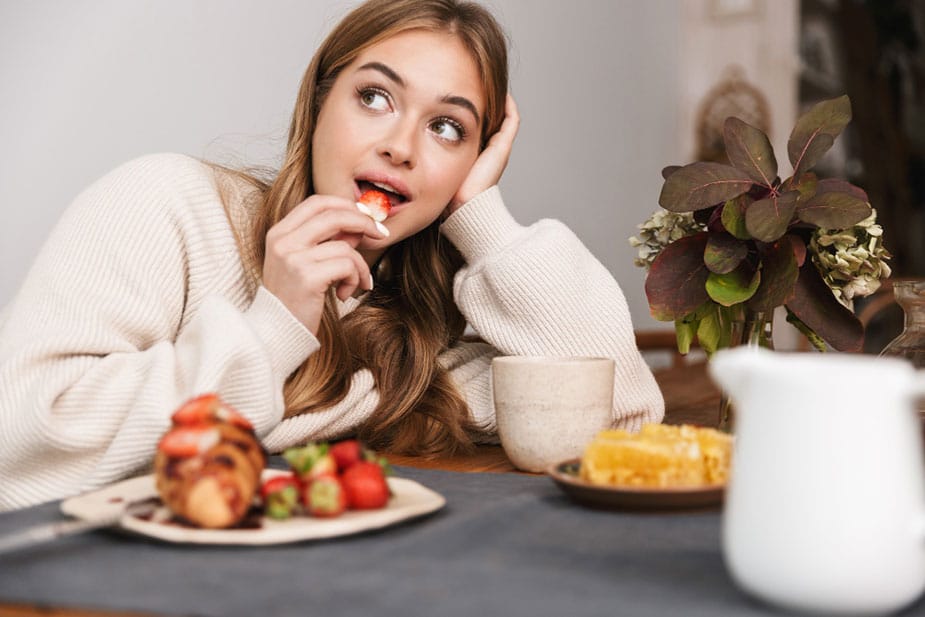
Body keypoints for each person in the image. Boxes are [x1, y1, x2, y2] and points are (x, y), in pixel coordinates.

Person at [0, 0, 663, 511]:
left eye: (446, 127)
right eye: (374, 97)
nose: (401, 146)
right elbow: (22, 451)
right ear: (318, 104)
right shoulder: (168, 205)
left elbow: (621, 412)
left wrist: (478, 214)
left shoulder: (428, 329)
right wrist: (274, 325)